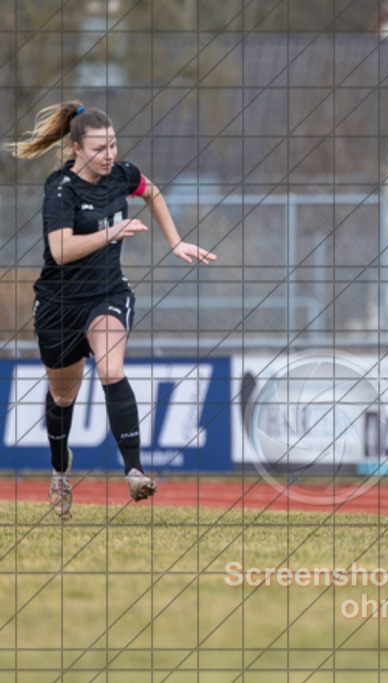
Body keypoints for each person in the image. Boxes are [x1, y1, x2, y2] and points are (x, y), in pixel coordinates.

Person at [4, 101, 217, 519]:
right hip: (58, 305)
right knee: (63, 396)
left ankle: (134, 470)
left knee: (111, 369)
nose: (110, 155)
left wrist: (175, 242)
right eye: (100, 148)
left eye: (114, 145)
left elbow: (152, 192)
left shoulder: (123, 176)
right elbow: (60, 249)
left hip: (107, 294)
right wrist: (111, 232)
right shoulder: (61, 188)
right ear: (78, 148)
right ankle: (59, 469)